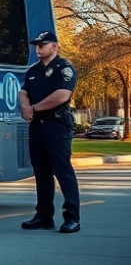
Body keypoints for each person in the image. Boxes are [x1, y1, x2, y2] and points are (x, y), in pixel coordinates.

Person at [19, 30, 81, 233]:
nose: (38, 48)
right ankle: (44, 216)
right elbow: (23, 91)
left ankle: (72, 217)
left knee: (62, 171)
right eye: (36, 44)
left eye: (42, 44)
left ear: (54, 46)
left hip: (57, 126)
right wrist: (26, 106)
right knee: (41, 172)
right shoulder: (33, 71)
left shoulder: (64, 69)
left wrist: (34, 108)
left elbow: (62, 95)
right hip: (37, 127)